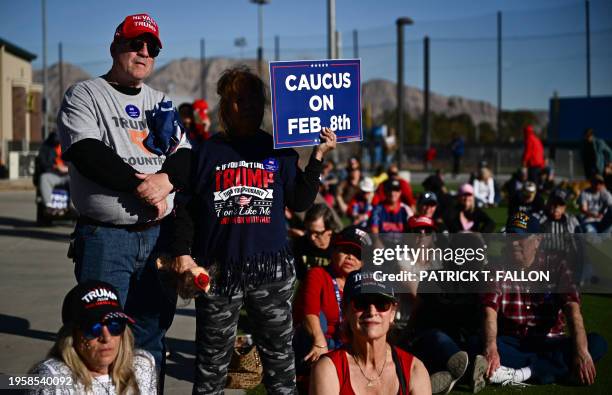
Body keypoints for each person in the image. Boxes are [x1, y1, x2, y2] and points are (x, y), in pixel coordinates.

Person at [170, 66, 336, 394]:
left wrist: (317, 156)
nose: (246, 106)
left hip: (270, 272)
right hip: (217, 272)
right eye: (237, 99)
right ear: (224, 105)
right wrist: (182, 255)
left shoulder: (278, 149)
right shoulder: (204, 152)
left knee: (279, 361)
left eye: (254, 99)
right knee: (210, 364)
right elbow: (185, 211)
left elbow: (300, 200)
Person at [57, 13, 190, 371]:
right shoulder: (85, 94)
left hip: (157, 238)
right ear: (116, 47)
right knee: (98, 338)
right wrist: (142, 185)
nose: (144, 52)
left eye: (152, 47)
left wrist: (166, 181)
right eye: (136, 44)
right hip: (106, 238)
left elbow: (185, 156)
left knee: (150, 337)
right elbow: (86, 152)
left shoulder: (160, 100)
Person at [481, 212, 608, 386]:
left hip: (550, 340)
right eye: (510, 238)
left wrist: (581, 351)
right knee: (479, 343)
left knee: (596, 344)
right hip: (512, 341)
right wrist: (491, 348)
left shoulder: (557, 264)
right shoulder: (495, 267)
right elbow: (489, 309)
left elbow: (572, 308)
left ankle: (520, 374)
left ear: (538, 240)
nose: (514, 243)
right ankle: (553, 369)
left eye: (521, 238)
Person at [310, 270, 431, 394]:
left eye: (381, 304)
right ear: (345, 311)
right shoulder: (328, 368)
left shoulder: (414, 369)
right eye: (361, 303)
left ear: (392, 313)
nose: (372, 312)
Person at [28, 281, 157, 395]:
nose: (106, 337)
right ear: (72, 335)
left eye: (114, 326)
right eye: (94, 328)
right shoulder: (52, 379)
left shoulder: (142, 366)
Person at [293, 226, 368, 391]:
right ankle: (308, 378)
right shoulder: (318, 274)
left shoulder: (364, 285)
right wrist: (320, 342)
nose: (350, 257)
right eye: (345, 250)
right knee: (319, 319)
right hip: (316, 343)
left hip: (346, 344)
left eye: (357, 254)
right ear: (334, 251)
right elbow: (308, 313)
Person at [293, 203, 340, 280]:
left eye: (317, 233)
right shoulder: (299, 245)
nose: (312, 237)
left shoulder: (339, 247)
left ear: (329, 231)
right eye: (309, 231)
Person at [35, 131, 70, 213]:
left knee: (76, 178)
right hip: (53, 174)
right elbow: (43, 163)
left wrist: (68, 168)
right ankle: (49, 206)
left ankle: (73, 206)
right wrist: (56, 167)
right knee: (44, 178)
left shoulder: (69, 146)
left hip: (68, 175)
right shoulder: (45, 148)